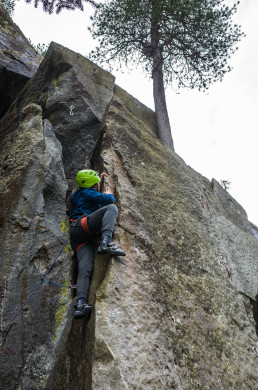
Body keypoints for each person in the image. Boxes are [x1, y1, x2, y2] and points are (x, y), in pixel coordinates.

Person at [69, 169, 126, 319]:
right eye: (96, 183)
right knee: (112, 208)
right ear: (91, 184)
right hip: (83, 226)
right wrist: (108, 194)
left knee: (85, 269)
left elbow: (93, 199)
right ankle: (106, 241)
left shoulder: (77, 194)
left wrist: (98, 180)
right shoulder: (88, 192)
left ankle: (81, 303)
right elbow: (108, 201)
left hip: (78, 235)